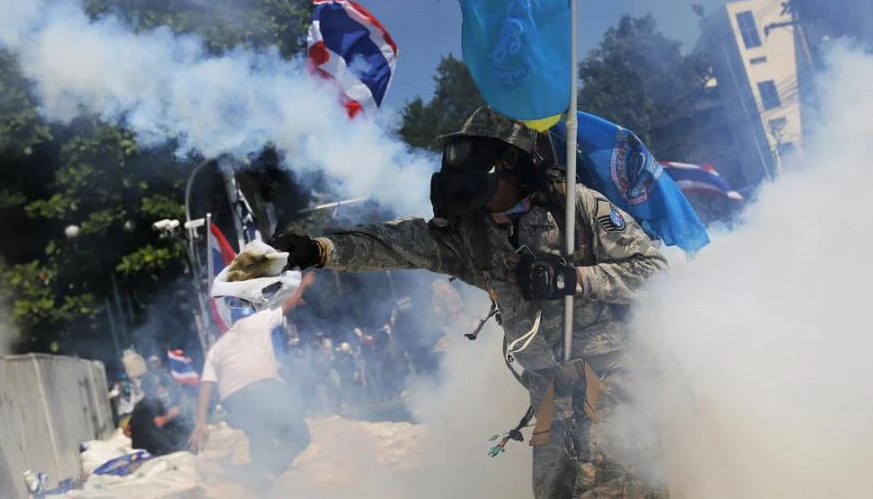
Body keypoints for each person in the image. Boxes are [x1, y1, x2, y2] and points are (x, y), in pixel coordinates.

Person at [267, 106, 670, 499]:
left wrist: (574, 278)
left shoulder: (577, 209)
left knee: (617, 488)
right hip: (551, 395)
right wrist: (318, 249)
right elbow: (393, 243)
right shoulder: (468, 235)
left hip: (612, 382)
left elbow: (654, 270)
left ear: (509, 160)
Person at [189, 271, 315, 486]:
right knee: (300, 436)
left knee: (258, 435)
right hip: (264, 390)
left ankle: (262, 479)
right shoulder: (258, 321)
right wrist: (303, 284)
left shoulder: (216, 349)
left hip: (234, 402)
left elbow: (206, 386)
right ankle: (270, 473)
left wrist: (201, 422)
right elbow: (290, 303)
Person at [125, 373, 192, 456]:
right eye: (161, 387)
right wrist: (171, 415)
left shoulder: (143, 404)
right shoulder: (148, 405)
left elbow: (127, 429)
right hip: (153, 449)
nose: (163, 390)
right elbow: (158, 424)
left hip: (145, 446)